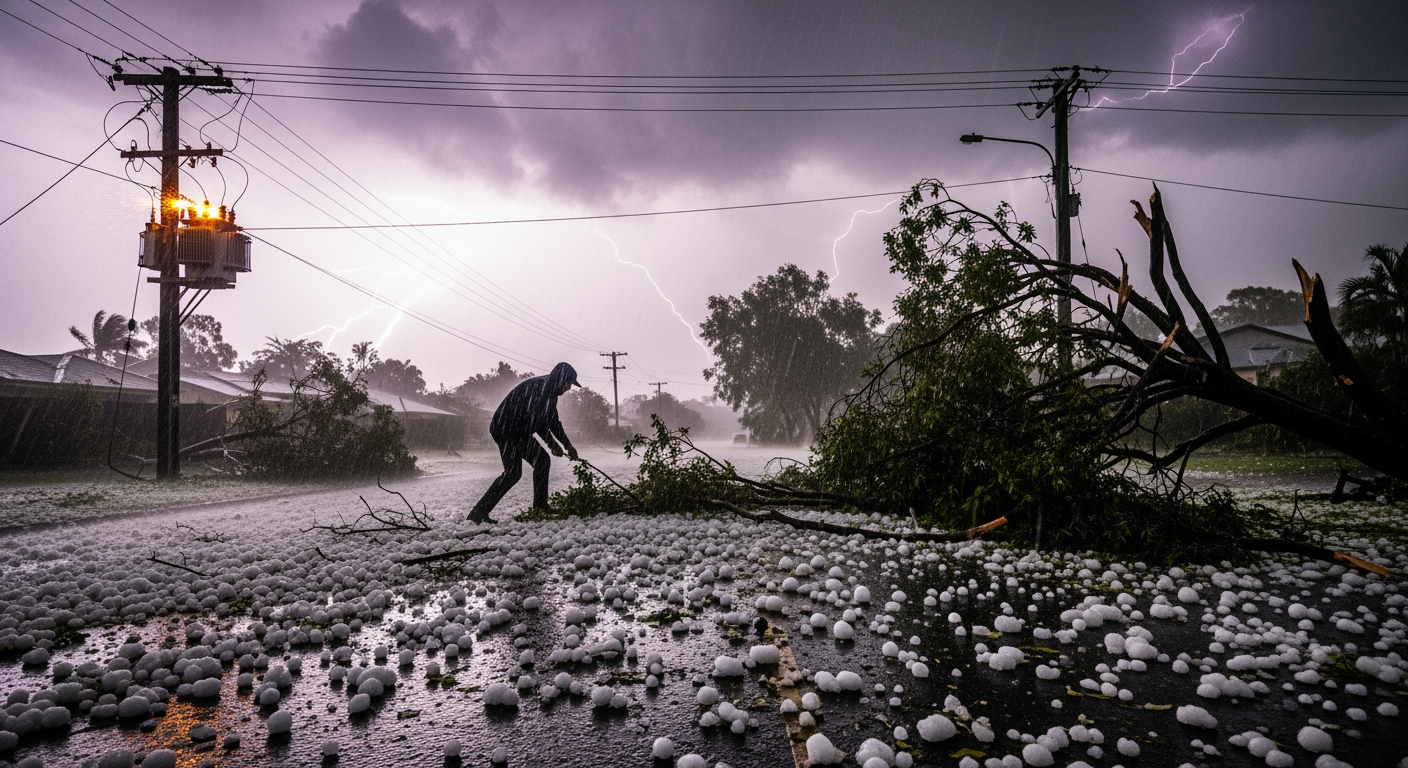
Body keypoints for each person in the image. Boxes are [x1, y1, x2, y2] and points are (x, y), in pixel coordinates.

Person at [468, 362, 580, 523]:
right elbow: (538, 422)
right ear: (562, 379)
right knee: (513, 473)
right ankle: (477, 515)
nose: (568, 388)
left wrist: (568, 445)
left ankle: (540, 507)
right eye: (568, 384)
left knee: (542, 461)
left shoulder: (550, 393)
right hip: (505, 428)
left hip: (520, 430)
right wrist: (552, 444)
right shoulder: (540, 388)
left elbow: (552, 421)